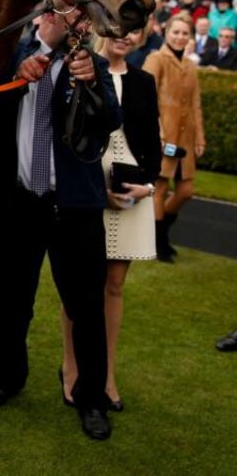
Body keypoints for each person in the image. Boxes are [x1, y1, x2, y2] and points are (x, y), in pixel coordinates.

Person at [0, 8, 122, 441]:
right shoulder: (12, 56)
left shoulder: (90, 64)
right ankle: (8, 377)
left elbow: (111, 121)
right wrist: (15, 81)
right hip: (18, 202)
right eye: (69, 15)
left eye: (82, 19)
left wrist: (92, 82)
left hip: (74, 208)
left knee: (85, 309)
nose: (77, 24)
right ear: (46, 17)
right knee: (9, 300)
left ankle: (91, 397)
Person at [60, 29, 160, 414]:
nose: (125, 36)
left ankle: (106, 376)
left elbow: (151, 140)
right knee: (79, 288)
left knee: (114, 286)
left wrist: (146, 187)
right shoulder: (81, 69)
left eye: (134, 30)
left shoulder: (143, 82)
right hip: (86, 188)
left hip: (131, 193)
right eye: (118, 29)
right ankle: (71, 369)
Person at [143, 15, 206, 262]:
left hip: (186, 139)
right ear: (167, 33)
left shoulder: (191, 65)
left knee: (186, 191)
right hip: (163, 135)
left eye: (184, 33)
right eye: (176, 32)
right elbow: (147, 100)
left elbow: (196, 104)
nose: (180, 37)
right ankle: (159, 243)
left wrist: (200, 137)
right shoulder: (155, 59)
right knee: (159, 188)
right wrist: (155, 132)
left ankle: (160, 232)